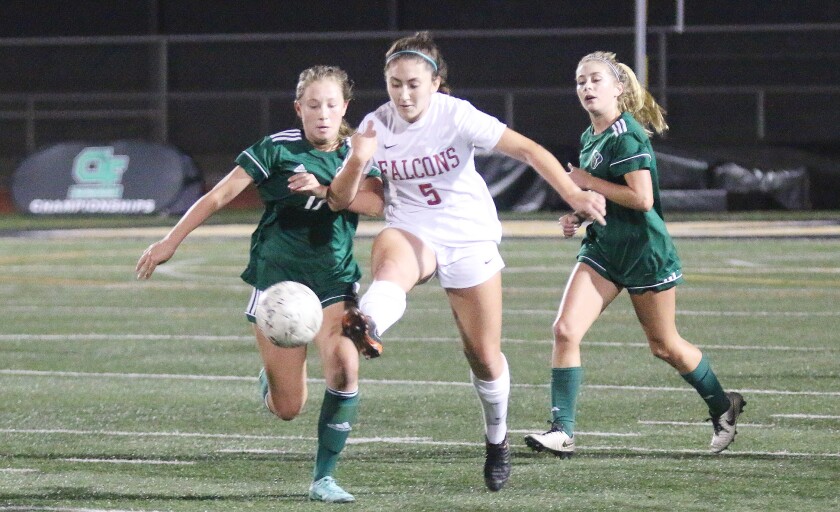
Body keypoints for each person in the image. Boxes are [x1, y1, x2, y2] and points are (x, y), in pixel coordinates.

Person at [329, 31, 608, 492]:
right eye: (395, 83)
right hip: (412, 227)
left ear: (436, 82)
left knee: (482, 353)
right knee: (391, 260)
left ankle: (496, 440)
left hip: (468, 234)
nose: (403, 93)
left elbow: (529, 151)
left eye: (414, 83)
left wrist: (574, 193)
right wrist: (357, 161)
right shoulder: (373, 127)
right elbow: (342, 199)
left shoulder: (456, 115)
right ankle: (370, 321)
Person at [135, 65, 384, 503]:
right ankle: (271, 384)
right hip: (278, 285)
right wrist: (170, 240)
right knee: (289, 409)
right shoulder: (275, 149)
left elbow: (375, 203)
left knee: (345, 369)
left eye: (331, 104)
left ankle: (323, 478)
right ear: (298, 109)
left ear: (345, 107)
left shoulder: (357, 153)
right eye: (312, 105)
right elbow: (219, 196)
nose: (322, 113)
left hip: (334, 280)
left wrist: (326, 186)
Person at [523, 51, 746, 459]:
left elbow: (641, 200)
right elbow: (603, 195)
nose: (586, 88)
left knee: (664, 346)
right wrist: (578, 213)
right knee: (565, 330)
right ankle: (562, 430)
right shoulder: (591, 136)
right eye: (580, 81)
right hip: (605, 250)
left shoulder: (627, 135)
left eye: (595, 80)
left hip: (645, 253)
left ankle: (721, 404)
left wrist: (585, 182)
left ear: (618, 88)